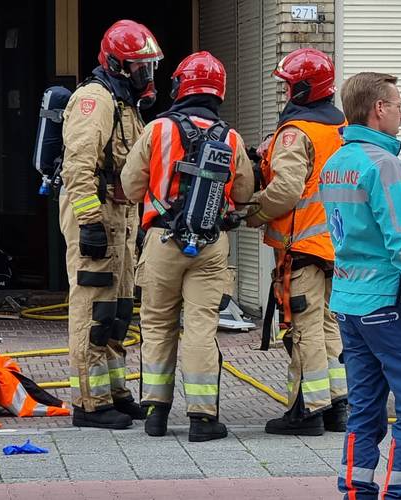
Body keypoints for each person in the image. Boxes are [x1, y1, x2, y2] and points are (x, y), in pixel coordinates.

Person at [120, 51, 252, 442]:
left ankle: (156, 415)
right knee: (200, 327)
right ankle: (202, 418)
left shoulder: (157, 129)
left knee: (157, 325)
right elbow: (244, 192)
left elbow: (129, 187)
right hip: (211, 245)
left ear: (181, 86)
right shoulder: (230, 137)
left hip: (161, 241)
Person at [319, 71, 401, 500]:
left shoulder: (337, 163)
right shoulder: (384, 164)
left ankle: (356, 489)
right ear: (379, 109)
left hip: (350, 302)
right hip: (388, 306)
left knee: (365, 410)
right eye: (400, 106)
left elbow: (361, 224)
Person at [234, 48, 349, 436]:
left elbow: (285, 190)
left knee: (304, 329)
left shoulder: (296, 132)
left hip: (302, 247)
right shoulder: (340, 127)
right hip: (335, 246)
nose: (284, 95)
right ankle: (336, 405)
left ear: (302, 89)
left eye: (286, 87)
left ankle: (306, 411)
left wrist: (253, 213)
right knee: (328, 323)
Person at [59, 19, 162, 429]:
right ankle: (89, 403)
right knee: (91, 308)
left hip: (120, 215)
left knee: (117, 309)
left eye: (150, 67)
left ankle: (114, 392)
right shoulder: (95, 100)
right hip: (96, 214)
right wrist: (89, 222)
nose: (147, 76)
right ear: (119, 65)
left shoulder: (125, 104)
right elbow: (78, 165)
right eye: (141, 67)